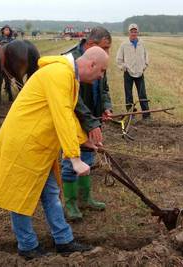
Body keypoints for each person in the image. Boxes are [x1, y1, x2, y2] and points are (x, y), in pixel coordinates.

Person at [0, 46, 109, 260]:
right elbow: (62, 116)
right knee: (20, 197)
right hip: (24, 144)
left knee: (50, 193)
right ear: (92, 64)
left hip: (38, 146)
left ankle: (64, 241)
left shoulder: (67, 77)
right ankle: (28, 246)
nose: (101, 76)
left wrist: (84, 140)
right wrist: (75, 157)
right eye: (102, 70)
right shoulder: (60, 74)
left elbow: (65, 113)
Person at [61, 27, 112, 221]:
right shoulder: (71, 62)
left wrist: (106, 107)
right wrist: (91, 122)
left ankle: (85, 198)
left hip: (93, 120)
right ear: (91, 45)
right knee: (71, 160)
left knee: (88, 159)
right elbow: (74, 99)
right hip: (75, 120)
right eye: (104, 48)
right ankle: (71, 203)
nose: (106, 53)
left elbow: (103, 88)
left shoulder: (99, 60)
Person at [116, 23, 150, 119]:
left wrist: (144, 66)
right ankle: (131, 115)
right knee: (128, 95)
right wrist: (124, 68)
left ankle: (146, 115)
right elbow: (119, 59)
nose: (134, 33)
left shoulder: (142, 44)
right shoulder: (124, 45)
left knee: (142, 94)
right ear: (129, 32)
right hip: (128, 73)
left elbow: (146, 56)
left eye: (135, 31)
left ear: (138, 32)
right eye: (132, 31)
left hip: (140, 72)